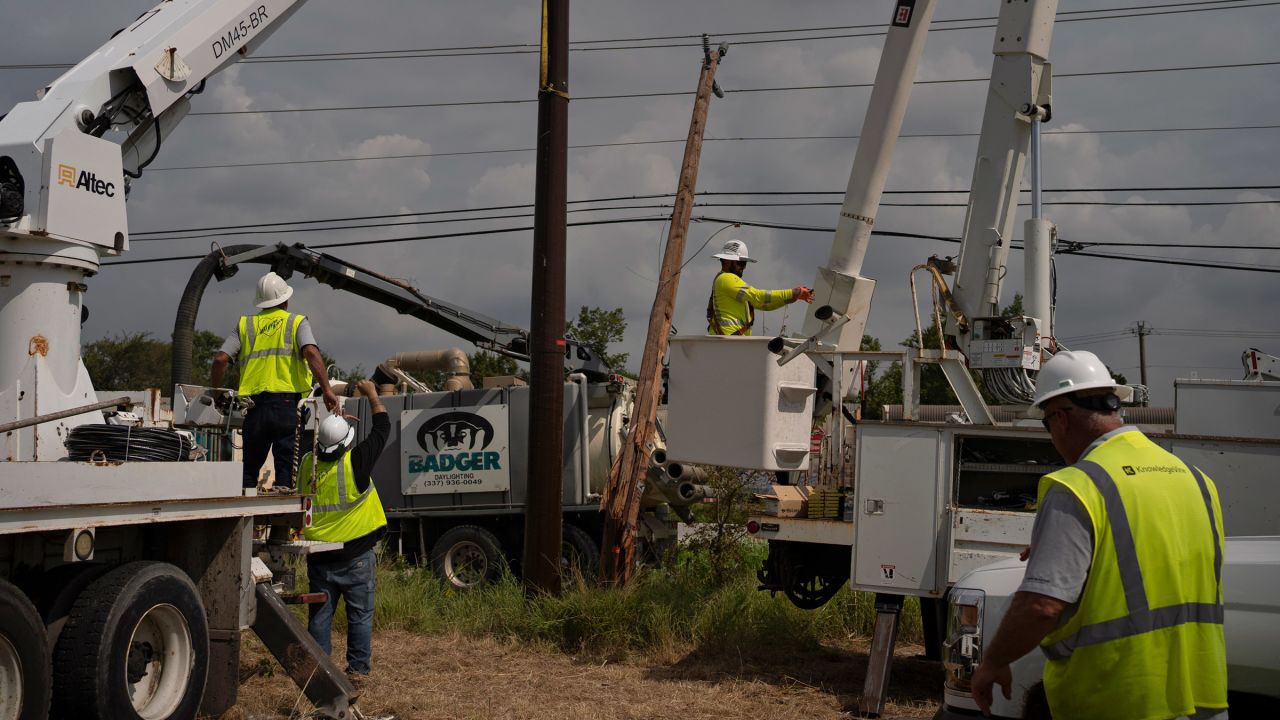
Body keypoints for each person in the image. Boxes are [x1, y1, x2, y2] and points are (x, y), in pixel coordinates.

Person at [971, 350, 1227, 720]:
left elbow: (1043, 605)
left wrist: (993, 661)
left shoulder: (1077, 485)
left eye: (1045, 424)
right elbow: (1159, 560)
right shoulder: (1195, 479)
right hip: (1202, 696)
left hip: (1118, 697)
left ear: (1059, 418)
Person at [211, 271, 339, 489]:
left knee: (248, 471)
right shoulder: (297, 322)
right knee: (285, 471)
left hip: (253, 407)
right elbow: (311, 352)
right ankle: (282, 518)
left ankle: (245, 514)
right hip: (287, 406)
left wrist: (216, 393)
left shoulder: (245, 325)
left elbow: (220, 359)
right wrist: (327, 389)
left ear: (260, 302)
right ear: (286, 300)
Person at [298, 379, 389, 681]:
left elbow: (308, 437)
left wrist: (330, 422)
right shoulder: (356, 462)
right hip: (356, 555)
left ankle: (320, 674)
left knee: (320, 618)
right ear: (347, 443)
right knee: (359, 617)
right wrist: (373, 395)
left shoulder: (307, 465)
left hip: (319, 558)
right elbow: (382, 429)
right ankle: (358, 672)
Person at [705, 239, 814, 336]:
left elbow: (763, 305)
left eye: (744, 264)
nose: (743, 268)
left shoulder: (728, 281)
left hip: (731, 340)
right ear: (727, 261)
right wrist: (794, 292)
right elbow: (759, 296)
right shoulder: (726, 279)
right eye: (740, 263)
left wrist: (789, 299)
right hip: (727, 342)